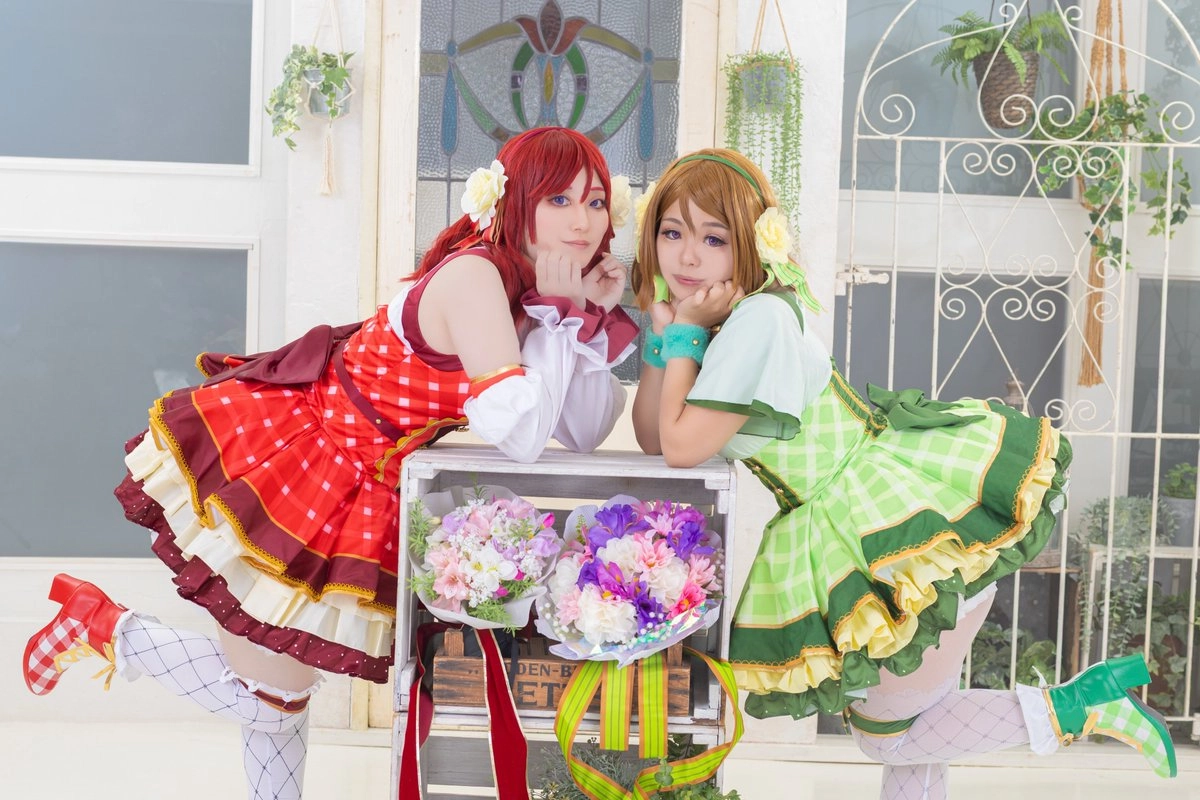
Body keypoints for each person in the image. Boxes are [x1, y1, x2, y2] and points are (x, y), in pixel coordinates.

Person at [22, 126, 638, 800]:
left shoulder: (524, 295)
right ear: (514, 201)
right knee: (272, 698)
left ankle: (108, 629)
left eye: (595, 202)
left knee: (279, 695)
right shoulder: (477, 277)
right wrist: (563, 318)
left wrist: (578, 318)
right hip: (307, 460)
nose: (583, 222)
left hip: (361, 483)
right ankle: (108, 626)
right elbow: (520, 434)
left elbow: (582, 430)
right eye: (559, 200)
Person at [629, 148, 1176, 797]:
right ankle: (1085, 703)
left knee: (889, 734)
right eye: (672, 232)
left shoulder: (756, 323)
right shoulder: (732, 322)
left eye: (714, 238)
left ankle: (1083, 706)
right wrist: (668, 335)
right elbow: (651, 436)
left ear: (749, 244)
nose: (688, 256)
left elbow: (680, 446)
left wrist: (682, 333)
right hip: (870, 524)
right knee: (912, 742)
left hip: (888, 529)